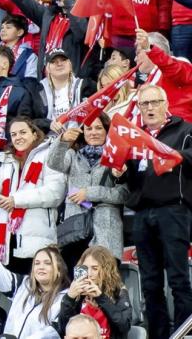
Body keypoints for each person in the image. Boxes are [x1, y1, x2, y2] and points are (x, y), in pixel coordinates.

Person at [122, 83, 192, 337]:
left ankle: (184, 334)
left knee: (178, 279)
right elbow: (132, 176)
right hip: (142, 213)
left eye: (154, 102)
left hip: (173, 210)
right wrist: (121, 172)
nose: (150, 108)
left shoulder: (185, 130)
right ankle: (159, 335)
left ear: (166, 104)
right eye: (144, 104)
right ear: (139, 108)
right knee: (150, 283)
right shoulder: (135, 135)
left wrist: (173, 155)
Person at [0, 117, 65, 274]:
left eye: (23, 132)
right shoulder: (9, 159)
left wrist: (16, 200)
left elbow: (55, 192)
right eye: (13, 134)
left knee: (38, 292)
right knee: (16, 294)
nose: (18, 137)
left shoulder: (49, 154)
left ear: (34, 134)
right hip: (9, 240)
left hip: (37, 241)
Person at [46, 114, 128, 268]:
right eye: (89, 129)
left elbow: (124, 194)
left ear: (107, 131)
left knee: (105, 286)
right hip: (75, 231)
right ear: (82, 132)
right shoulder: (72, 154)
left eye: (99, 128)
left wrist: (90, 193)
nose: (94, 132)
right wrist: (62, 141)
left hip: (106, 232)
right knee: (78, 284)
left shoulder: (118, 155)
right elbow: (53, 162)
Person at [0, 223, 68, 339]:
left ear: (59, 269)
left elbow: (54, 332)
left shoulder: (66, 299)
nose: (41, 267)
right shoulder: (23, 285)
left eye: (47, 263)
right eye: (37, 263)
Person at [53, 246, 131, 339]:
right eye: (85, 268)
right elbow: (63, 330)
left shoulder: (118, 292)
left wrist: (100, 298)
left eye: (94, 268)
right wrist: (69, 298)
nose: (89, 274)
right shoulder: (78, 294)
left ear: (106, 271)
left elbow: (123, 326)